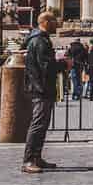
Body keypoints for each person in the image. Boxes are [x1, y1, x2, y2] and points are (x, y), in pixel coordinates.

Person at [22, 10, 62, 173]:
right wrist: (63, 65)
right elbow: (46, 66)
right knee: (38, 124)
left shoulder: (40, 39)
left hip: (42, 86)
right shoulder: (39, 41)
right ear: (45, 22)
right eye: (53, 21)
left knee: (42, 124)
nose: (57, 24)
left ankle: (36, 157)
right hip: (41, 87)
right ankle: (29, 160)